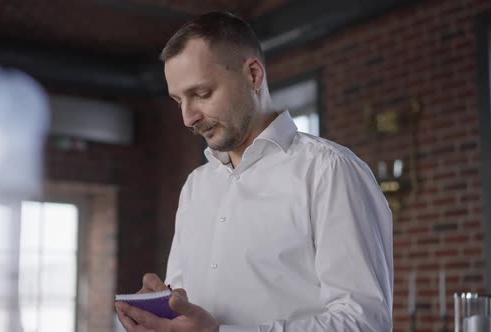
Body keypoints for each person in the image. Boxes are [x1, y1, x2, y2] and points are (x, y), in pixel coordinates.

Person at [115, 11, 393, 332]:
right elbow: (188, 315)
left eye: (202, 94)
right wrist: (160, 317)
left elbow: (365, 323)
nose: (188, 118)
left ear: (253, 75)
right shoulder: (196, 186)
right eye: (179, 100)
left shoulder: (330, 171)